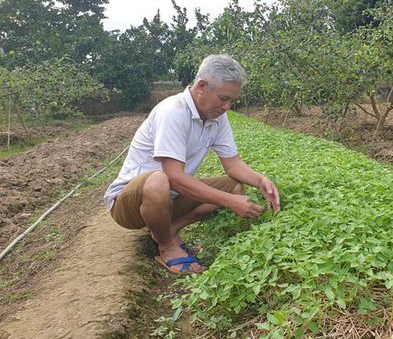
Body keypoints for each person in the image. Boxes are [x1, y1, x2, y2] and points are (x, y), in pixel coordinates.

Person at [104, 54, 281, 274]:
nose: (227, 106)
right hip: (129, 203)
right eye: (223, 98)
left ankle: (169, 229)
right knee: (160, 179)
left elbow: (233, 164)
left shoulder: (217, 118)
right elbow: (174, 176)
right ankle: (167, 246)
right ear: (201, 86)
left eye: (232, 101)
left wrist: (261, 181)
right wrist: (229, 202)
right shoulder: (173, 111)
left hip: (169, 198)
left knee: (235, 185)